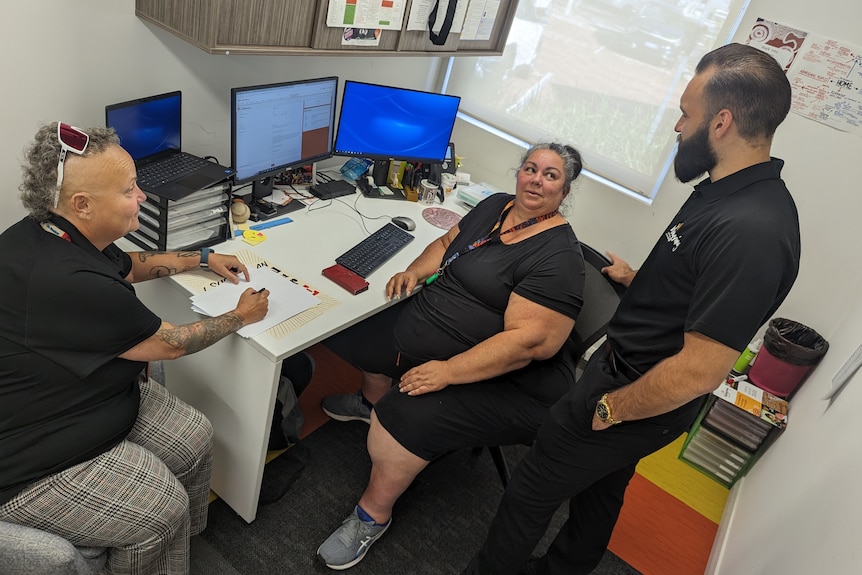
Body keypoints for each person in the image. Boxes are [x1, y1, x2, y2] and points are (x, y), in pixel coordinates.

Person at [464, 43, 801, 575]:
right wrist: (639, 279)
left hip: (635, 394)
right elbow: (697, 286)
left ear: (722, 122)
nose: (676, 127)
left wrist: (610, 409)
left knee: (531, 490)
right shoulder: (725, 189)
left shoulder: (752, 231)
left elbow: (700, 370)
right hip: (628, 375)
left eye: (685, 115)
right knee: (602, 490)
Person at [0, 122, 270, 575]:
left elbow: (130, 266)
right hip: (30, 457)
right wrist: (241, 316)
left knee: (194, 437)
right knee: (161, 506)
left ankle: (178, 552)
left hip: (85, 399)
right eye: (129, 190)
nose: (142, 197)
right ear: (83, 204)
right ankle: (162, 539)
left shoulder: (56, 231)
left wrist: (202, 258)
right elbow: (174, 344)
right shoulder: (66, 281)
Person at [317, 143, 587, 570]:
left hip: (508, 381)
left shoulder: (559, 256)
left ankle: (371, 516)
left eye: (550, 175)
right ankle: (370, 405)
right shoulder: (498, 205)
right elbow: (447, 243)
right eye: (530, 169)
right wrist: (415, 271)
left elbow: (529, 344)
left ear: (565, 188)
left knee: (401, 419)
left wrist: (447, 371)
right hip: (437, 334)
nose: (536, 179)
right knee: (356, 331)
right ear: (518, 172)